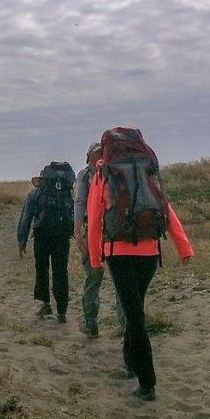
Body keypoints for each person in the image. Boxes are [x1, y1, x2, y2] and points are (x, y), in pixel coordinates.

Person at [87, 128, 193, 402]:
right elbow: (165, 208)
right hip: (149, 252)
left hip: (118, 254)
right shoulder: (146, 171)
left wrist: (96, 259)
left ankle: (147, 383)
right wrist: (183, 246)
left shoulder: (103, 174)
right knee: (135, 307)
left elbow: (96, 220)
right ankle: (130, 362)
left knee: (135, 316)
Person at [74, 142, 126, 338]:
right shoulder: (117, 171)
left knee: (93, 279)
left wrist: (78, 231)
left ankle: (91, 324)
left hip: (94, 233)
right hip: (116, 232)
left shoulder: (85, 175)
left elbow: (80, 202)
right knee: (120, 282)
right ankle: (125, 324)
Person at [17, 165, 74, 322]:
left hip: (42, 236)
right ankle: (62, 311)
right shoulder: (67, 193)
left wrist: (22, 241)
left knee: (42, 269)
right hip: (62, 237)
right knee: (61, 272)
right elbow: (73, 213)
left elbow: (26, 218)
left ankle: (45, 304)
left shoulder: (35, 194)